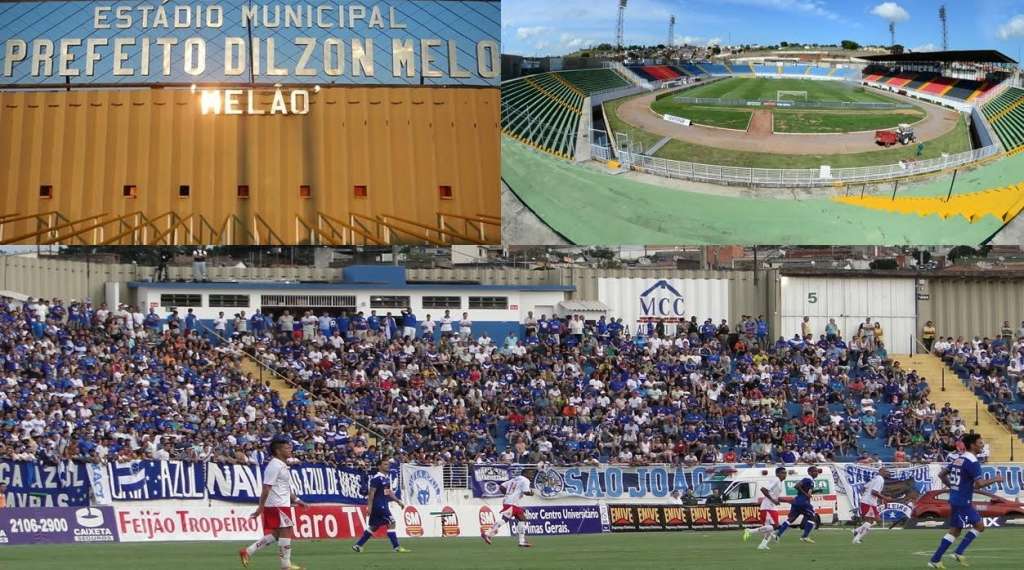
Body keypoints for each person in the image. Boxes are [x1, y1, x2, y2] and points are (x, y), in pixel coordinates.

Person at [927, 434, 1004, 568]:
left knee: (955, 530)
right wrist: (995, 479)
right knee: (979, 526)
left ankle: (936, 559)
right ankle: (957, 552)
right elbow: (979, 484)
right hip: (963, 501)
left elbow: (941, 474)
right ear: (973, 445)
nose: (982, 445)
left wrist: (953, 487)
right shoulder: (972, 462)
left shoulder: (959, 459)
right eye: (980, 443)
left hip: (956, 499)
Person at [240, 437, 305, 570]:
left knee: (277, 534)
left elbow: (284, 487)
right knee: (287, 532)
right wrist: (260, 508)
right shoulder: (274, 465)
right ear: (278, 450)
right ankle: (286, 566)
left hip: (281, 503)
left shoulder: (281, 465)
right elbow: (266, 488)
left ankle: (247, 551)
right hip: (277, 505)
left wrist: (297, 500)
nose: (290, 450)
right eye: (286, 448)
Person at [352, 459, 409, 553]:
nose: (388, 466)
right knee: (392, 523)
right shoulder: (376, 478)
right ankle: (397, 547)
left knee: (374, 526)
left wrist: (398, 501)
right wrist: (369, 507)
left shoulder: (385, 478)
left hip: (382, 505)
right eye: (385, 464)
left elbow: (388, 492)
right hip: (379, 506)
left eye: (388, 464)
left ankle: (358, 545)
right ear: (379, 466)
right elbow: (371, 493)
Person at [482, 467, 535, 547]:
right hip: (512, 503)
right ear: (525, 474)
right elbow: (526, 492)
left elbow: (502, 486)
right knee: (505, 519)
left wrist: (507, 495)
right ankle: (487, 533)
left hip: (509, 502)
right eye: (530, 474)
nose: (531, 476)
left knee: (522, 518)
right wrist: (531, 493)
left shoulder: (514, 479)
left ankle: (522, 541)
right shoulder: (525, 480)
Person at [774, 465, 820, 544]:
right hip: (802, 502)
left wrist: (815, 491)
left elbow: (806, 491)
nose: (816, 473)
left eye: (817, 471)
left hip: (797, 501)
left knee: (791, 519)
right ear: (809, 472)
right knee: (813, 516)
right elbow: (797, 486)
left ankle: (778, 535)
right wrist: (806, 495)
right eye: (814, 471)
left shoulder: (811, 481)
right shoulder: (807, 479)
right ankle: (805, 537)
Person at [745, 466, 787, 550]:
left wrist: (777, 500)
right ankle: (750, 531)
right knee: (775, 526)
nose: (785, 475)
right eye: (782, 473)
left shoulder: (779, 482)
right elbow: (763, 489)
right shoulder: (776, 480)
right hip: (767, 507)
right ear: (777, 474)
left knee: (769, 528)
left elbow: (773, 494)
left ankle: (763, 545)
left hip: (771, 506)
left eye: (785, 473)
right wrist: (773, 500)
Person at [853, 467, 891, 544]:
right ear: (881, 471)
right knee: (870, 521)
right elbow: (873, 492)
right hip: (868, 502)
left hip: (869, 502)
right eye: (887, 471)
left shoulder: (876, 478)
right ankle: (856, 539)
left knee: (876, 520)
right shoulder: (880, 479)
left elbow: (864, 487)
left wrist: (882, 499)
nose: (888, 473)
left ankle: (856, 531)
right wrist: (885, 498)